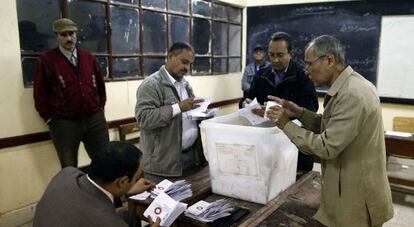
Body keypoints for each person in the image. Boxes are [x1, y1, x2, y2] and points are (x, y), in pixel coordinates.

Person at [266, 35, 393, 227]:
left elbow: (326, 146)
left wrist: (285, 123)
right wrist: (300, 113)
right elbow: (331, 126)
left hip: (358, 195)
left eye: (310, 64)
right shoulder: (349, 86)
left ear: (330, 60)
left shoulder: (352, 94)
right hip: (348, 185)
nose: (307, 71)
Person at [33, 18, 109, 168]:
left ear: (76, 34)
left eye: (71, 34)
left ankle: (103, 192)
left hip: (94, 119)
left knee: (104, 161)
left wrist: (100, 107)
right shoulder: (47, 61)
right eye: (63, 34)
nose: (69, 38)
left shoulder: (89, 57)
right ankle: (73, 191)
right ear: (57, 36)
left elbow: (100, 86)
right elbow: (40, 94)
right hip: (64, 123)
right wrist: (49, 119)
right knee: (69, 166)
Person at [33, 141, 160, 227]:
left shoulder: (66, 174)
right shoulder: (108, 222)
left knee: (127, 216)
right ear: (122, 182)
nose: (137, 180)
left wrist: (127, 190)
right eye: (137, 177)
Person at [247, 31, 319, 173]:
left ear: (290, 54)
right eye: (272, 55)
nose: (275, 60)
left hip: (296, 147)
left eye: (280, 55)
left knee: (297, 188)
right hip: (268, 146)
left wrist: (284, 112)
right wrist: (248, 104)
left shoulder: (303, 76)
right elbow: (248, 98)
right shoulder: (261, 75)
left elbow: (311, 109)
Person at [135, 42, 205, 182]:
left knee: (187, 201)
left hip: (189, 157)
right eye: (184, 62)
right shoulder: (151, 85)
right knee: (163, 204)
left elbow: (186, 115)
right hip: (163, 164)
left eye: (190, 64)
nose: (187, 68)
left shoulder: (185, 84)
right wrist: (178, 107)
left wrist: (202, 112)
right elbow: (144, 119)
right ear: (170, 56)